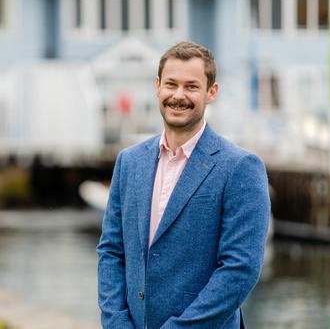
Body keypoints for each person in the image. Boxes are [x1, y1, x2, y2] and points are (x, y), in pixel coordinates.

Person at [97, 41, 270, 329]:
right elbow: (111, 251)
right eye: (171, 84)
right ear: (157, 86)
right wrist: (116, 323)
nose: (178, 95)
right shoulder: (129, 162)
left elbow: (240, 269)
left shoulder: (241, 168)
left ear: (211, 92)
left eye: (191, 86)